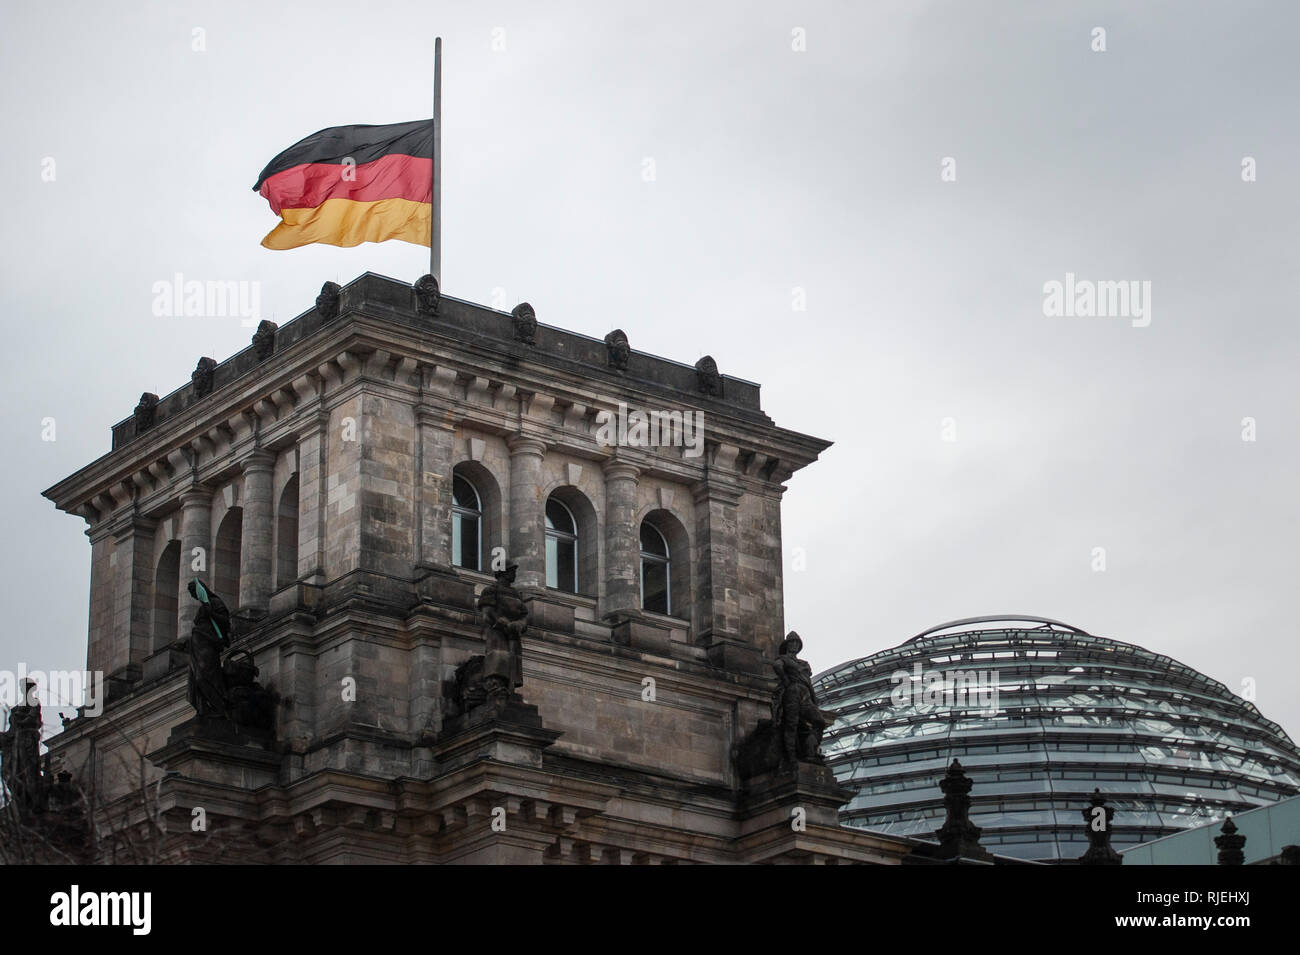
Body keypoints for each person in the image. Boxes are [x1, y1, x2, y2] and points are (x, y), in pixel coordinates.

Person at [477, 564, 529, 709]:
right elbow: (487, 613)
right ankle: (495, 687)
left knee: (512, 662)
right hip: (497, 632)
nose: (514, 574)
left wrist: (520, 624)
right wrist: (502, 623)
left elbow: (525, 616)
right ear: (503, 572)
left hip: (513, 633)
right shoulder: (491, 590)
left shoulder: (517, 594)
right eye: (512, 571)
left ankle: (510, 688)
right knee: (499, 659)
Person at [771, 631, 827, 765]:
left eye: (797, 642)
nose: (794, 645)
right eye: (792, 642)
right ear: (787, 645)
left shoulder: (804, 663)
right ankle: (791, 758)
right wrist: (785, 680)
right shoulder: (783, 659)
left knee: (819, 722)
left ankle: (809, 750)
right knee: (792, 724)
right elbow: (777, 666)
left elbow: (809, 682)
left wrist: (814, 699)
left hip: (805, 694)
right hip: (792, 692)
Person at [185, 578, 231, 718]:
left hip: (208, 646)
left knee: (205, 677)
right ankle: (204, 708)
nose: (194, 596)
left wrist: (211, 613)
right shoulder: (202, 609)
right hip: (197, 648)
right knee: (197, 680)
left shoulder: (215, 603)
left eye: (195, 593)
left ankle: (218, 706)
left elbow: (225, 622)